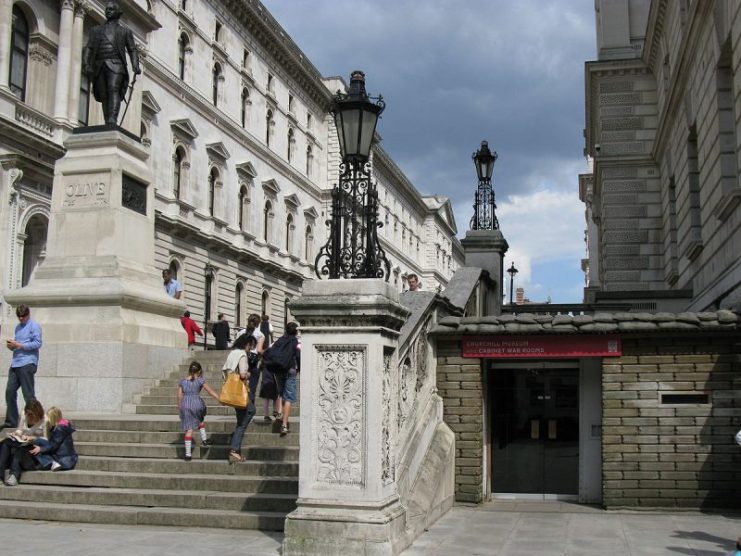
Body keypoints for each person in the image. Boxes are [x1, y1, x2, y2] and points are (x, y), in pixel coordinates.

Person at [82, 1, 141, 125]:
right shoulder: (96, 30)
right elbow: (89, 47)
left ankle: (112, 119)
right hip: (99, 64)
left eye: (111, 9)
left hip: (116, 65)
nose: (108, 11)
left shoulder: (124, 32)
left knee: (113, 89)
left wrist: (135, 65)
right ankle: (107, 120)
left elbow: (132, 49)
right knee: (103, 94)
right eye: (107, 9)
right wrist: (86, 63)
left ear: (118, 13)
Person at [3, 304, 42, 429]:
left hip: (28, 362)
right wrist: (12, 346)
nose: (21, 319)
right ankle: (11, 421)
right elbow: (18, 344)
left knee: (28, 394)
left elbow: (37, 343)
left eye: (23, 316)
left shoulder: (34, 326)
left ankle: (34, 421)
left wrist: (20, 345)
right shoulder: (18, 327)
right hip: (16, 363)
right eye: (19, 316)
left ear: (28, 314)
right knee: (9, 392)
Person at [222, 332, 256, 462]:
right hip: (240, 391)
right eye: (250, 346)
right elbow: (242, 374)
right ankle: (234, 450)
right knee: (250, 412)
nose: (250, 350)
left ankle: (236, 450)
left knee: (241, 420)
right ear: (246, 344)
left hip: (232, 391)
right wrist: (249, 374)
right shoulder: (242, 355)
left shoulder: (232, 353)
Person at [263, 321, 300, 437]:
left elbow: (269, 350)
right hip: (290, 370)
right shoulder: (296, 342)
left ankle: (280, 415)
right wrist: (299, 368)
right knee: (288, 397)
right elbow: (298, 356)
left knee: (282, 393)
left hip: (278, 370)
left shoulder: (279, 340)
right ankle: (284, 424)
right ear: (296, 332)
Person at [177, 361, 219, 461]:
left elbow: (179, 395)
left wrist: (179, 406)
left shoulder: (182, 381)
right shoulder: (200, 380)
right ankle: (204, 439)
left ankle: (187, 455)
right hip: (197, 403)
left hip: (185, 404)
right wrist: (220, 399)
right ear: (199, 371)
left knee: (189, 429)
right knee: (199, 418)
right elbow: (210, 391)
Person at [0, 400, 46, 486]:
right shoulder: (24, 415)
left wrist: (33, 438)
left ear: (37, 412)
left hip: (36, 447)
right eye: (27, 414)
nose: (29, 417)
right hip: (24, 442)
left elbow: (49, 440)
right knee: (6, 442)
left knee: (20, 450)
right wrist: (16, 434)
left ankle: (14, 475)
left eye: (31, 414)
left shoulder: (45, 420)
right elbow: (20, 429)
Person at [30, 406, 78, 471]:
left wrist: (40, 449)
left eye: (49, 417)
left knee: (38, 451)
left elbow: (53, 445)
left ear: (53, 417)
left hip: (64, 460)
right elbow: (51, 442)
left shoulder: (60, 428)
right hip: (64, 456)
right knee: (38, 441)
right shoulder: (61, 425)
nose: (48, 420)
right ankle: (50, 462)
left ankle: (51, 462)